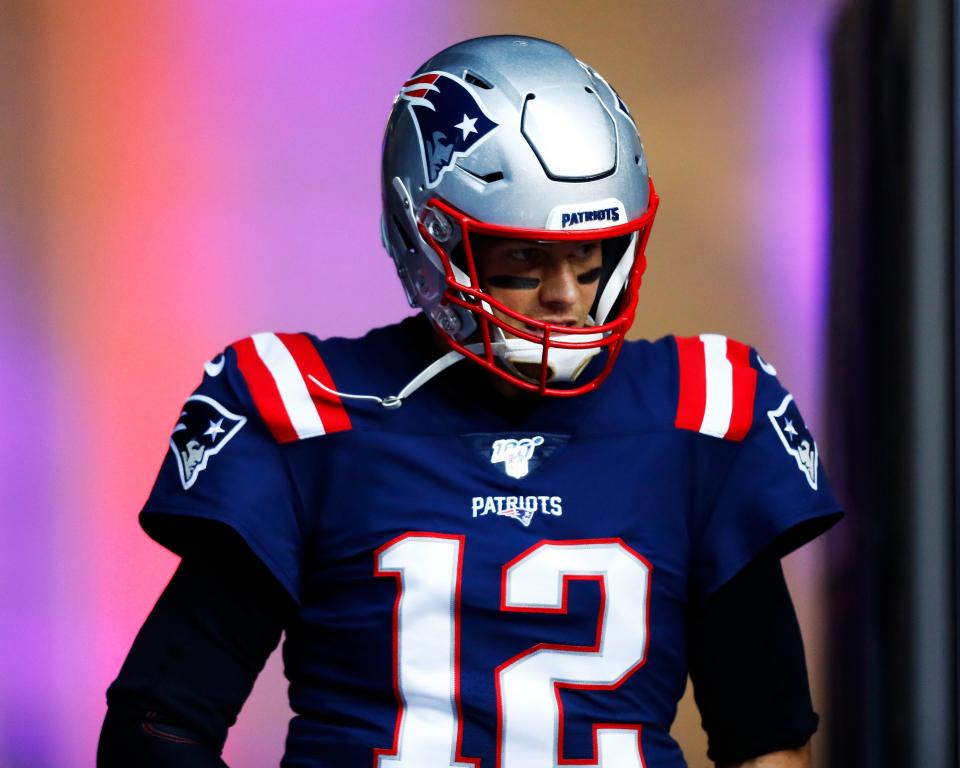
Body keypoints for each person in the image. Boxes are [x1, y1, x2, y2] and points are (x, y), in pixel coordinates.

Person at [98, 35, 842, 768]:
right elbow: (158, 728)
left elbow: (768, 740)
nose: (567, 296)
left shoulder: (703, 414)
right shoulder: (308, 407)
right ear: (430, 238)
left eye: (589, 254)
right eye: (524, 256)